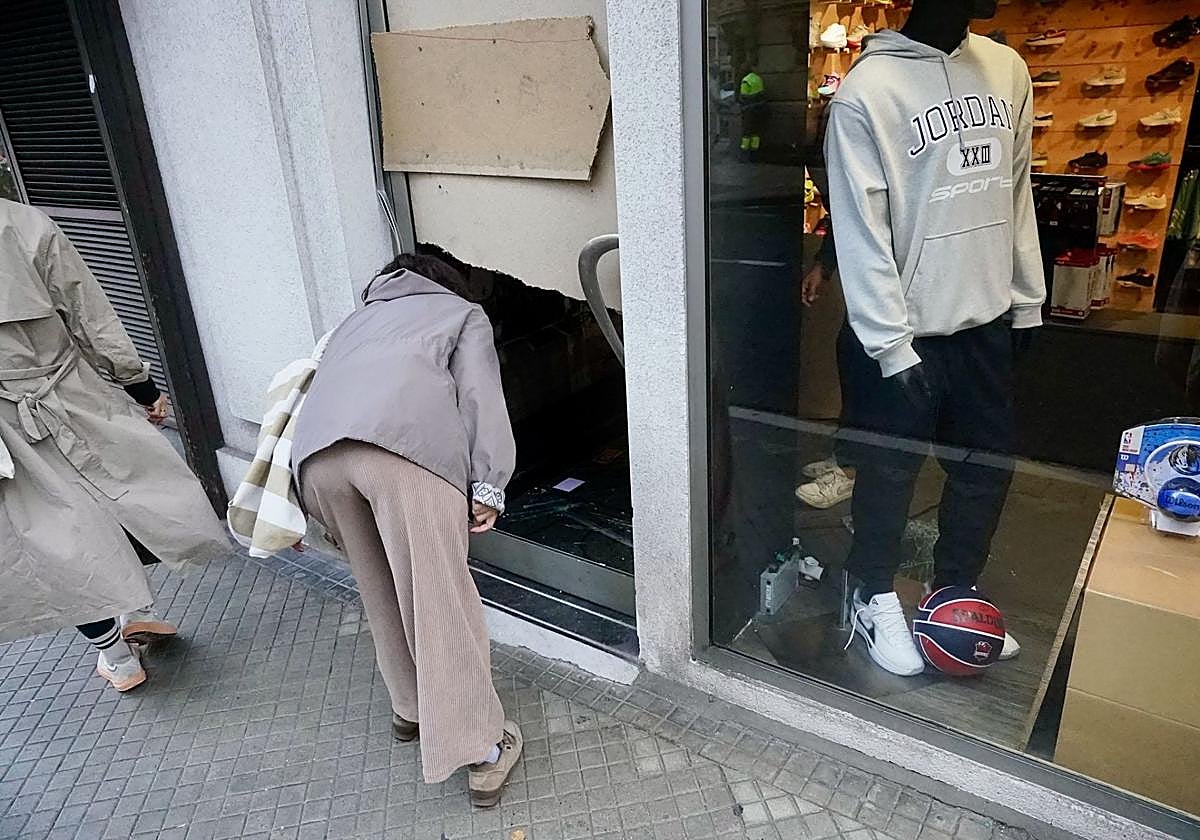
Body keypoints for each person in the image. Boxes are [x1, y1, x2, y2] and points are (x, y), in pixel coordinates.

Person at [824, 0, 1042, 676]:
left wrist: (1027, 299)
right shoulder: (867, 93)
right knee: (889, 474)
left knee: (984, 474)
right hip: (908, 332)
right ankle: (871, 594)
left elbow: (1015, 193)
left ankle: (954, 594)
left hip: (984, 322)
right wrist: (890, 344)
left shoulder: (1007, 69)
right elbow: (861, 230)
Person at [290, 252, 521, 807]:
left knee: (381, 588)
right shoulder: (461, 313)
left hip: (320, 462)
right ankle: (483, 751)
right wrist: (489, 486)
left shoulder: (357, 320)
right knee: (439, 601)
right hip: (406, 456)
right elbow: (480, 398)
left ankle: (410, 708)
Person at [0, 198, 229, 690]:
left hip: (8, 423)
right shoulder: (25, 224)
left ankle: (118, 654)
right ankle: (132, 617)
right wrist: (139, 385)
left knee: (56, 535)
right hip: (70, 392)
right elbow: (89, 313)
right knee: (124, 491)